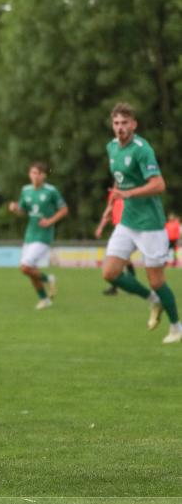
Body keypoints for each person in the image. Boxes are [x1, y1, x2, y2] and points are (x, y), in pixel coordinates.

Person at [101, 103, 181, 343]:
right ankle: (153, 302)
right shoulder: (111, 147)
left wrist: (130, 194)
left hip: (150, 224)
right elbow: (119, 181)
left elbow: (159, 184)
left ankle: (176, 326)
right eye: (116, 123)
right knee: (110, 273)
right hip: (127, 222)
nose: (120, 128)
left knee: (156, 281)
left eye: (125, 123)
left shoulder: (142, 149)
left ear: (134, 125)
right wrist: (109, 208)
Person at [7, 162, 68, 309]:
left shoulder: (51, 191)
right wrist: (15, 208)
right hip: (30, 235)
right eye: (32, 173)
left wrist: (50, 221)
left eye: (38, 173)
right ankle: (44, 299)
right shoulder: (26, 190)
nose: (35, 176)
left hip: (43, 236)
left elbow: (64, 209)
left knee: (25, 267)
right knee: (30, 270)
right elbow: (23, 211)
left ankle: (49, 278)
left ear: (43, 175)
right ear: (29, 175)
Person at [95, 188, 137, 295]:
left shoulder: (130, 193)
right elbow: (109, 212)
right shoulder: (114, 196)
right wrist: (100, 227)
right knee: (122, 260)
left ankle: (127, 286)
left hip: (129, 228)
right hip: (119, 230)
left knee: (119, 260)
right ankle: (127, 285)